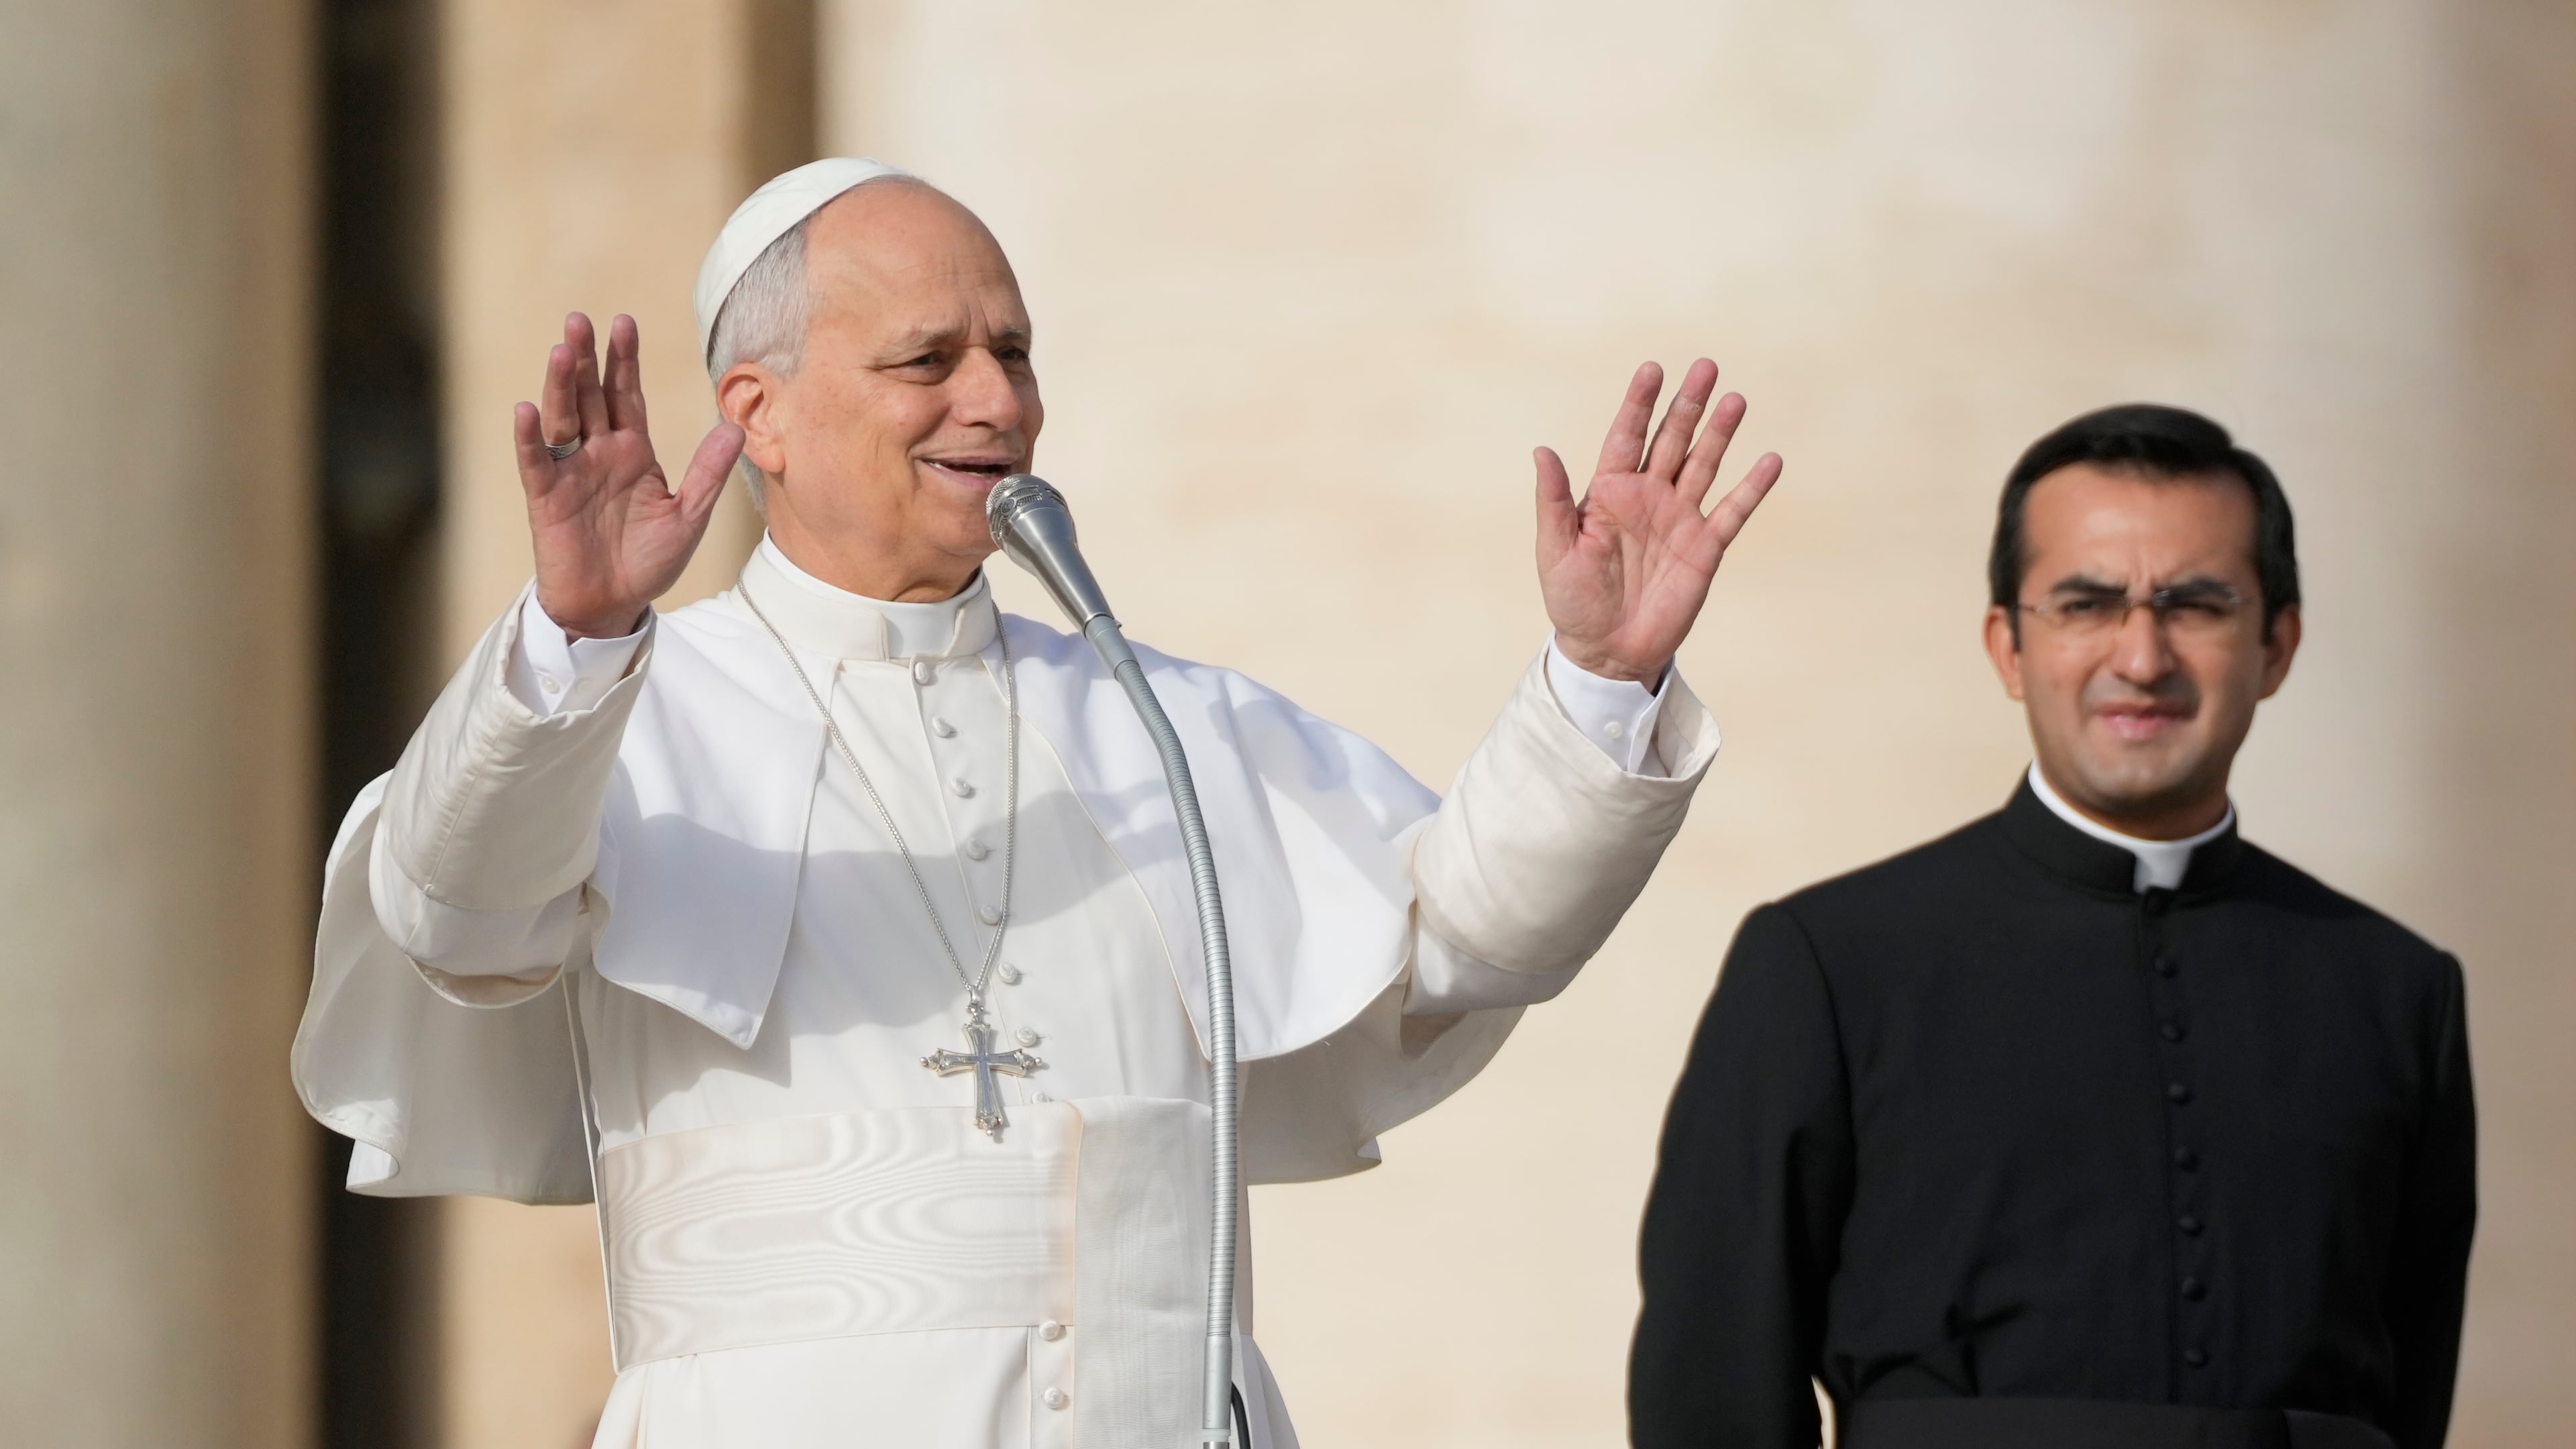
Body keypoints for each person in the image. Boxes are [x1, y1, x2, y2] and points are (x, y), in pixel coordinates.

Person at [294, 158, 1782, 1448]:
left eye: (1014, 350)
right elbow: (455, 914)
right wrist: (580, 640)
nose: (997, 400)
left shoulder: (1154, 715)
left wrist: (1596, 681)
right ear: (761, 413)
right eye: (927, 360)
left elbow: (1454, 942)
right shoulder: (617, 709)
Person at [1629, 405, 2475, 1449]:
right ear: (2010, 647)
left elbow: (2411, 1396)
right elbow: (1712, 1391)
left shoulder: (2399, 990)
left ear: (2279, 645)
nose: (2142, 655)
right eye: (2087, 603)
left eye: (2198, 604)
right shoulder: (1829, 964)